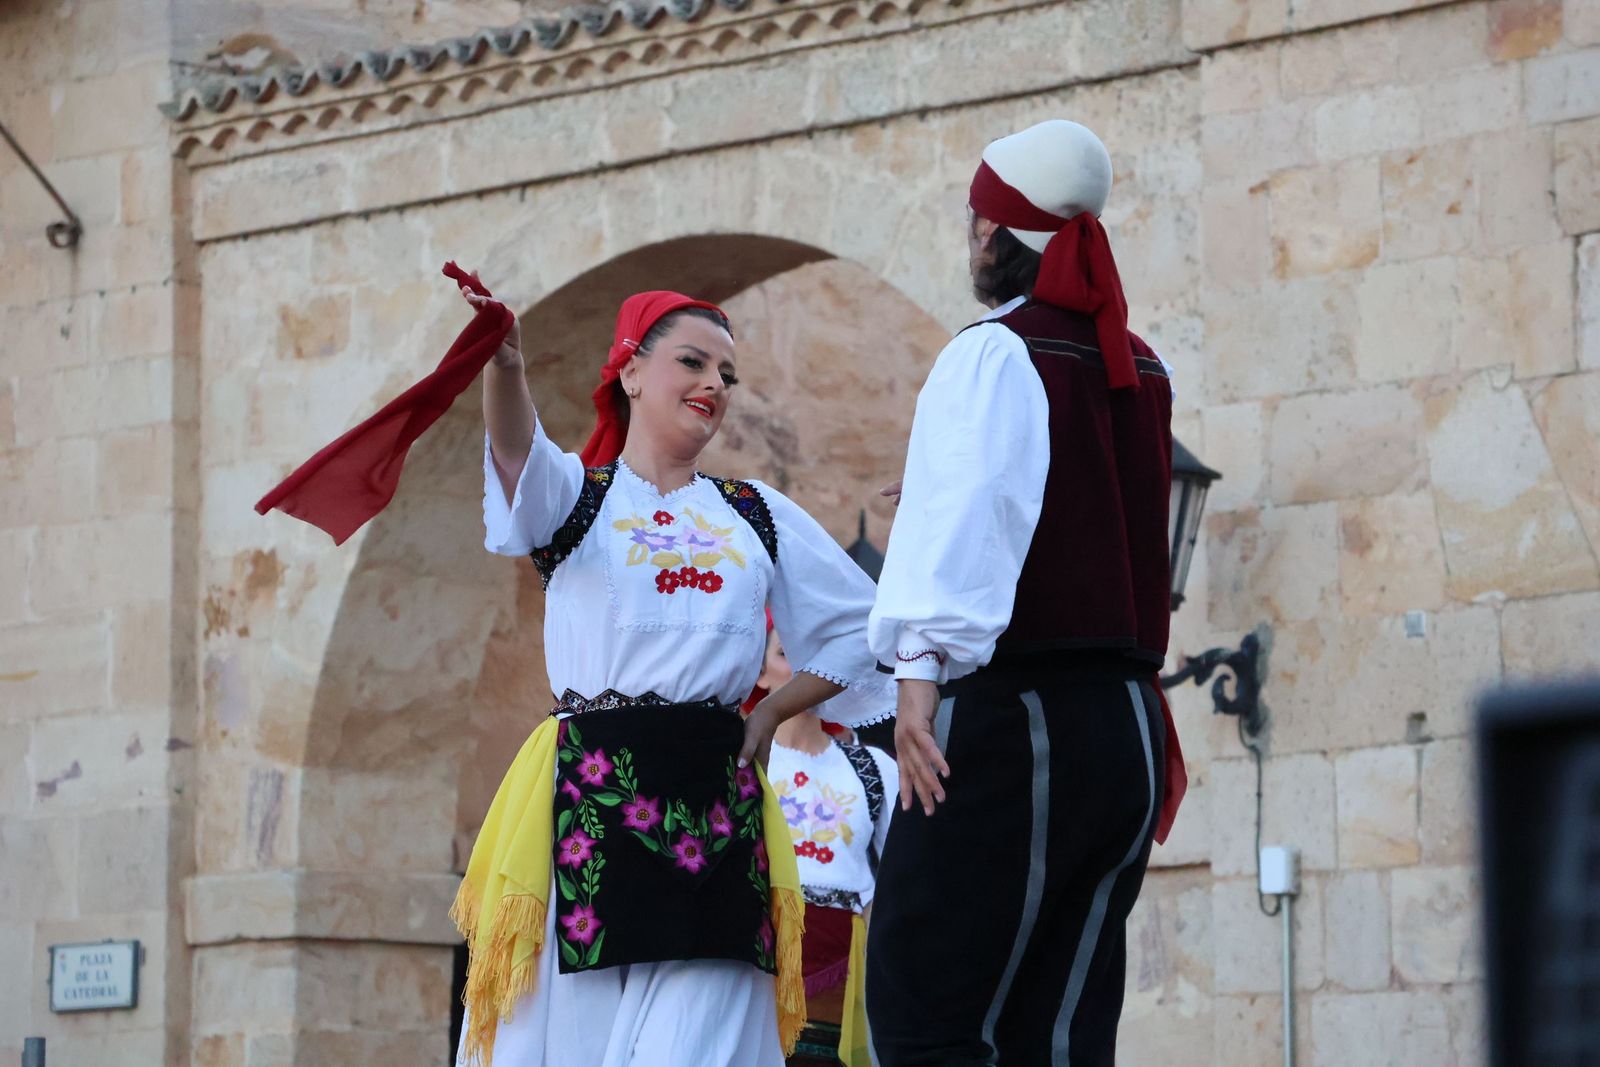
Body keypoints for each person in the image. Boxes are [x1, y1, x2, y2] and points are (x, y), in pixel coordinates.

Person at [452, 280, 895, 1067]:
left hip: (716, 805)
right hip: (591, 804)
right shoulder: (579, 502)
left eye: (726, 374)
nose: (714, 385)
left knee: (699, 1044)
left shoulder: (753, 513)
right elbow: (518, 455)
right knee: (579, 1046)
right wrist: (508, 367)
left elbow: (865, 630)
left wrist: (767, 712)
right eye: (693, 361)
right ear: (629, 371)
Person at [864, 119, 1188, 1065]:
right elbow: (1069, 495)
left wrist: (916, 675)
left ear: (995, 232)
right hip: (1125, 725)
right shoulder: (1142, 361)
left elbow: (976, 521)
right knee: (1063, 1025)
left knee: (933, 1012)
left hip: (1020, 720)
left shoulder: (996, 352)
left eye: (974, 221)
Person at [752, 618, 897, 1067]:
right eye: (785, 653)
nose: (803, 668)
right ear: (760, 674)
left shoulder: (873, 768)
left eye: (816, 655)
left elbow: (904, 875)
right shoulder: (741, 759)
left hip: (849, 963)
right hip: (761, 953)